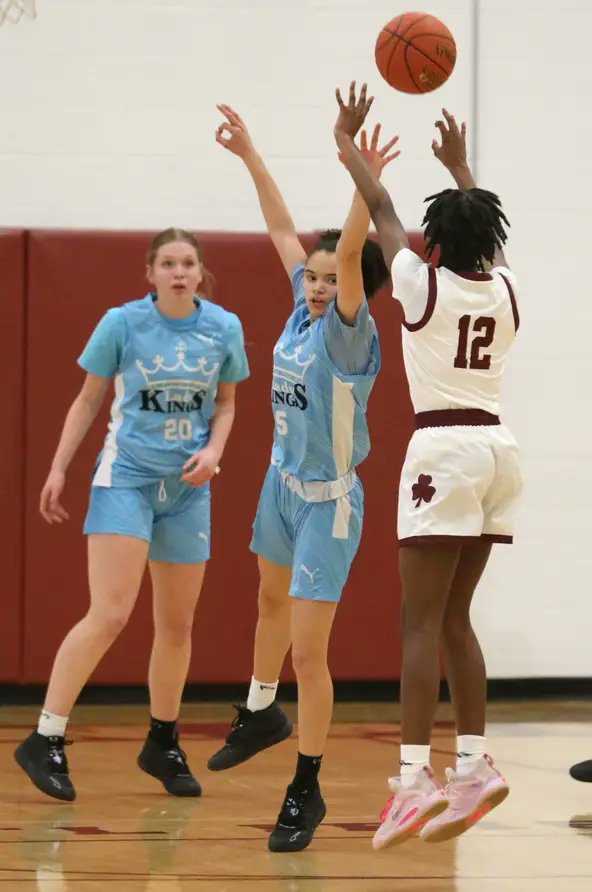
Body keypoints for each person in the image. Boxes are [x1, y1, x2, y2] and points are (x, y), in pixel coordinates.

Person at [334, 84, 522, 849]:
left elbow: (380, 211)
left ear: (433, 246)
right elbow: (488, 239)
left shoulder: (421, 281)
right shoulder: (506, 288)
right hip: (498, 453)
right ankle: (472, 763)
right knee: (452, 619)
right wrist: (462, 167)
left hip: (441, 449)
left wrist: (346, 142)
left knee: (418, 621)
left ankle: (413, 780)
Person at [207, 94, 393, 852]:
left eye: (324, 279)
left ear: (349, 289)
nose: (313, 285)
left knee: (311, 654)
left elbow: (349, 252)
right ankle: (259, 710)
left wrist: (355, 164)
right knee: (266, 601)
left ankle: (306, 788)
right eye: (309, 278)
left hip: (329, 503)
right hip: (280, 486)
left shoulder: (349, 335)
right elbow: (284, 231)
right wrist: (251, 155)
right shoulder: (299, 312)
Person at [14, 228, 249, 802]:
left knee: (176, 626)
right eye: (167, 262)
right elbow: (89, 397)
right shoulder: (121, 323)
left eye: (187, 263)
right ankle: (45, 737)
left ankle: (162, 742)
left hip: (189, 489)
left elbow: (226, 403)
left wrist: (216, 451)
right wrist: (58, 467)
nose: (178, 271)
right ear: (150, 272)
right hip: (127, 480)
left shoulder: (224, 327)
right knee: (111, 614)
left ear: (200, 272)